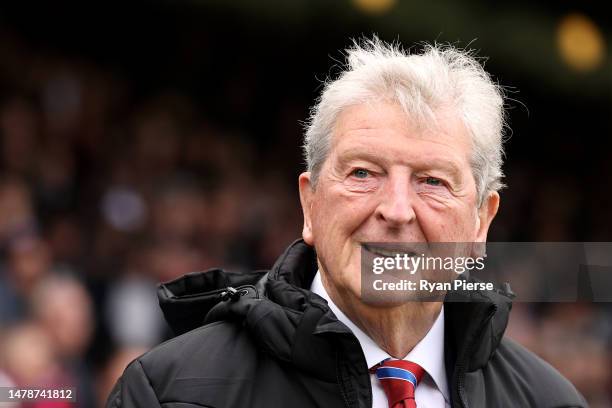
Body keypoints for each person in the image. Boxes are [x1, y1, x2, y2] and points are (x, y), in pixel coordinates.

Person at [106, 37, 587, 408]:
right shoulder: (170, 393)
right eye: (363, 173)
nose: (397, 211)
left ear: (482, 222)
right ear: (310, 205)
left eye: (433, 182)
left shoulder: (551, 401)